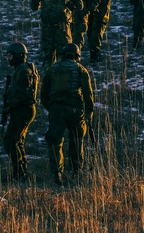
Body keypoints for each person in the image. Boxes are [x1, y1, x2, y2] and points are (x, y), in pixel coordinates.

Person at [40, 43, 94, 187]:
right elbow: (88, 93)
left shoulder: (53, 69)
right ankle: (77, 170)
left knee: (56, 141)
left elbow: (43, 93)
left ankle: (57, 173)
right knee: (77, 139)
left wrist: (51, 108)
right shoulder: (80, 69)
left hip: (56, 110)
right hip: (75, 111)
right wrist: (88, 112)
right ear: (77, 55)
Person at [30, 0, 84, 67]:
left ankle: (48, 77)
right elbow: (80, 5)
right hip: (63, 27)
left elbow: (33, 6)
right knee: (64, 55)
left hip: (47, 27)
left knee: (48, 56)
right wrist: (70, 5)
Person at [1, 42, 39, 182]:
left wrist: (10, 107)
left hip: (23, 109)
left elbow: (23, 93)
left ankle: (19, 172)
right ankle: (22, 171)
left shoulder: (23, 71)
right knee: (17, 141)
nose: (9, 58)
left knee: (10, 140)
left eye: (11, 55)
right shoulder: (21, 69)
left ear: (18, 56)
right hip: (22, 109)